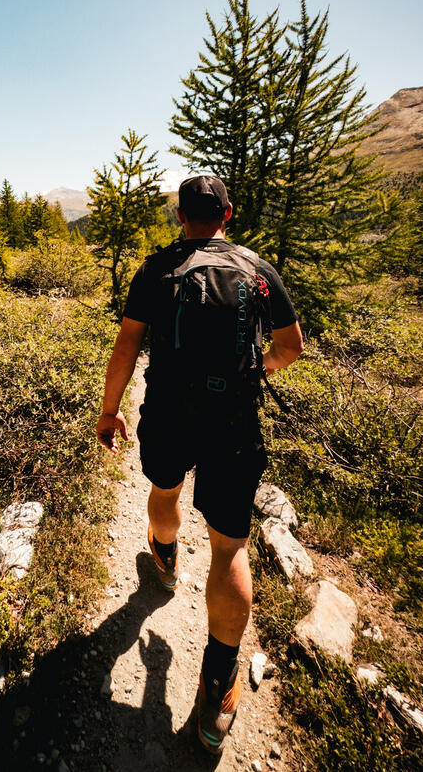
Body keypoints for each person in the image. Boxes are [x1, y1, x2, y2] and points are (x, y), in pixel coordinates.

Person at [95, 174, 303, 755]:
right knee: (230, 546)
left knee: (165, 490)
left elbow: (126, 346)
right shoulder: (259, 271)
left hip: (167, 409)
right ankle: (217, 688)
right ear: (228, 214)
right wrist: (251, 373)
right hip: (233, 420)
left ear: (180, 216)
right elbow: (292, 346)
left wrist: (111, 412)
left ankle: (163, 562)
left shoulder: (156, 269)